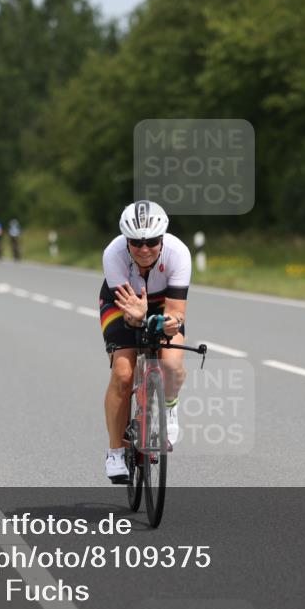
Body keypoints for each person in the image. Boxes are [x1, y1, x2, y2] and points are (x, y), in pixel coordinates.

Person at [100, 200, 191, 482]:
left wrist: (165, 324)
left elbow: (176, 313)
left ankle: (169, 407)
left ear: (161, 238)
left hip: (163, 304)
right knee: (123, 373)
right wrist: (136, 318)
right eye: (135, 242)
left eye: (151, 241)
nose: (143, 249)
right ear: (126, 241)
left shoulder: (178, 254)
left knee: (172, 364)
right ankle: (116, 452)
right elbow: (130, 318)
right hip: (122, 305)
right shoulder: (113, 254)